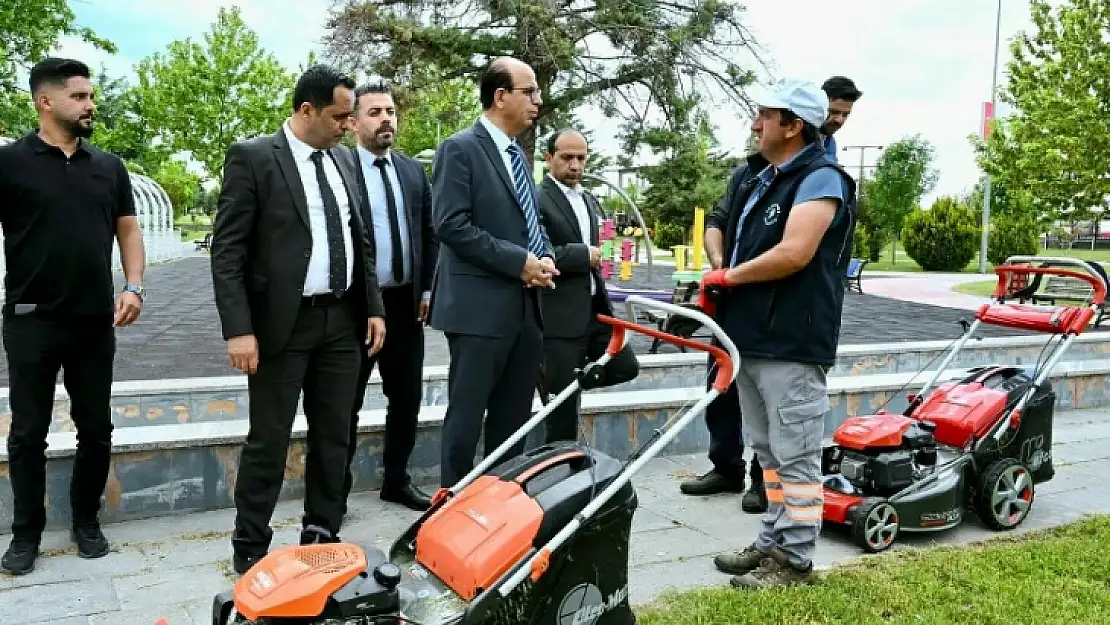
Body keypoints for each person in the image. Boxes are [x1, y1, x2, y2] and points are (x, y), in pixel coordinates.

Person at [210, 64, 386, 575]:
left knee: (336, 435)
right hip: (280, 327)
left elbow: (361, 241)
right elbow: (228, 251)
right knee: (269, 439)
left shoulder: (346, 161)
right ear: (306, 110)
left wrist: (373, 306)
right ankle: (250, 546)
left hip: (342, 321)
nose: (348, 125)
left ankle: (322, 533)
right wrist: (238, 328)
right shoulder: (254, 158)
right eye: (339, 116)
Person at [700, 78, 856, 589]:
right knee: (768, 453)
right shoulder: (763, 176)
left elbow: (795, 253)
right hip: (752, 338)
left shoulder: (821, 178)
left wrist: (727, 277)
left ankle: (795, 560)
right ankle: (772, 540)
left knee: (796, 456)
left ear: (793, 126)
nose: (754, 123)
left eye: (765, 116)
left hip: (791, 340)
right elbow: (731, 229)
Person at [0, 57, 146, 576]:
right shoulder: (9, 163)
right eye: (80, 97)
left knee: (96, 429)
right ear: (46, 101)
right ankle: (25, 534)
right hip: (29, 319)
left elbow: (128, 229)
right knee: (27, 434)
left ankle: (86, 521)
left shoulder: (108, 166)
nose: (90, 105)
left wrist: (133, 285)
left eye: (91, 96)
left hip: (92, 320)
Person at [427, 56, 557, 487]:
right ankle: (451, 512)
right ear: (500, 96)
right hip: (479, 311)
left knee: (513, 419)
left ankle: (498, 507)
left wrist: (545, 256)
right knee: (466, 417)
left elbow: (529, 222)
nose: (538, 100)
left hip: (526, 309)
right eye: (530, 91)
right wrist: (518, 262)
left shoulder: (518, 156)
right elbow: (451, 224)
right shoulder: (460, 148)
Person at [342, 79, 437, 512]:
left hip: (405, 305)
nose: (386, 120)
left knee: (407, 399)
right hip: (358, 307)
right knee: (346, 402)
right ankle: (333, 493)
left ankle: (396, 480)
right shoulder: (340, 168)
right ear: (354, 120)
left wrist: (428, 287)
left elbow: (429, 234)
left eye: (391, 111)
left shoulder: (413, 171)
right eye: (375, 112)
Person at [536, 128, 639, 443]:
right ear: (549, 158)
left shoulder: (588, 199)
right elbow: (540, 252)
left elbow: (599, 249)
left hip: (595, 313)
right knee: (563, 414)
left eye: (581, 158)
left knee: (626, 366)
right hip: (559, 318)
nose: (575, 165)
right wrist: (585, 255)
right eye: (567, 157)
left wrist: (601, 256)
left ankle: (569, 382)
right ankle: (562, 473)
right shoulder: (539, 198)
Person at [819, 76, 863, 163]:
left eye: (845, 114)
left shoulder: (830, 143)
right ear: (819, 105)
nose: (839, 120)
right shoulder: (795, 137)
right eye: (834, 112)